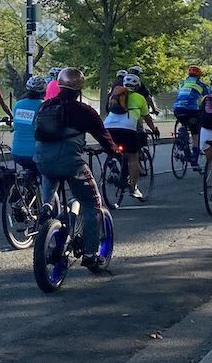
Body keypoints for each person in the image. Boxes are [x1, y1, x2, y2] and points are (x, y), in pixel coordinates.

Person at [30, 67, 118, 269]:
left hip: (43, 161)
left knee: (49, 170)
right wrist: (114, 153)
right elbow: (104, 137)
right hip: (71, 164)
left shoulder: (45, 107)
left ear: (58, 85)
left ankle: (46, 206)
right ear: (80, 88)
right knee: (92, 203)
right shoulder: (85, 111)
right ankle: (90, 255)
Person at [102, 73, 159, 201]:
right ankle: (133, 188)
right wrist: (154, 129)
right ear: (138, 86)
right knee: (133, 157)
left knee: (116, 150)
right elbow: (147, 117)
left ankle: (112, 163)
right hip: (128, 128)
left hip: (108, 127)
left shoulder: (114, 95)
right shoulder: (140, 98)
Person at [11, 76, 47, 177]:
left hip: (17, 152)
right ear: (44, 91)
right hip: (36, 153)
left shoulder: (18, 104)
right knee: (49, 179)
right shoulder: (44, 106)